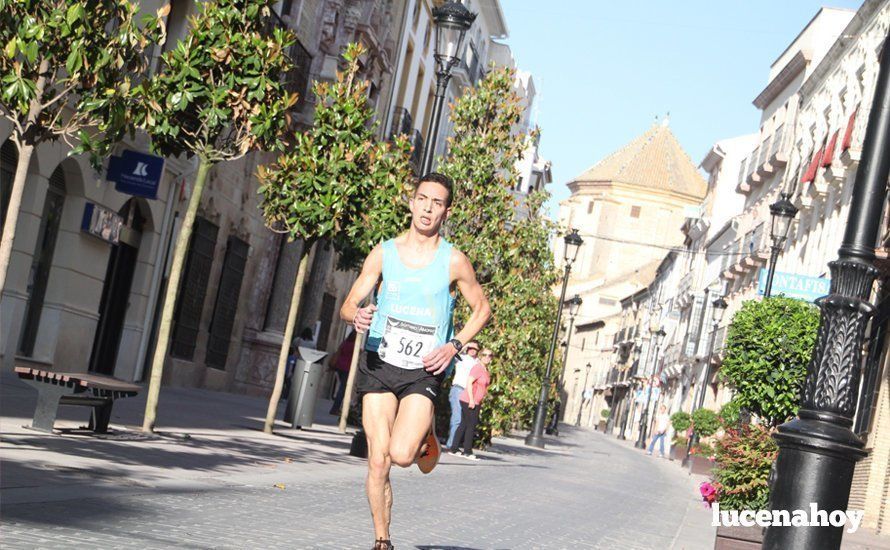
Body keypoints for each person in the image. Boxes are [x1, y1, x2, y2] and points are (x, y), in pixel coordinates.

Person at [340, 172, 491, 550]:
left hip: (423, 369)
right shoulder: (384, 252)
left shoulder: (454, 261)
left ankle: (425, 433)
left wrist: (454, 345)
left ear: (446, 211)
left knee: (402, 455)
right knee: (378, 460)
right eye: (422, 198)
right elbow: (348, 303)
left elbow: (482, 310)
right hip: (380, 362)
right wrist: (353, 315)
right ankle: (382, 540)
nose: (427, 208)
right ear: (411, 202)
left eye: (437, 202)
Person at [448, 346, 492, 461]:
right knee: (471, 425)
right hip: (469, 400)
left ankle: (454, 448)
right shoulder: (477, 368)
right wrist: (472, 400)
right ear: (480, 356)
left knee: (464, 423)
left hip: (476, 401)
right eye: (485, 355)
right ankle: (467, 451)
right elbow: (469, 382)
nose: (487, 357)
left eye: (490, 355)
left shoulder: (485, 370)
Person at [446, 339, 480, 449]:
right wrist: (465, 346)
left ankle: (455, 444)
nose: (472, 350)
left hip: (469, 393)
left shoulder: (478, 362)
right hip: (458, 389)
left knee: (466, 420)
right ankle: (451, 444)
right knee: (457, 418)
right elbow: (453, 354)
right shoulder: (462, 358)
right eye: (471, 348)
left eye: (475, 349)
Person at [328, 330, 357, 415]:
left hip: (339, 367)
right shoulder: (354, 346)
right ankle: (335, 408)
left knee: (342, 388)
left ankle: (336, 408)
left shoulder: (344, 343)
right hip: (347, 368)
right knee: (342, 389)